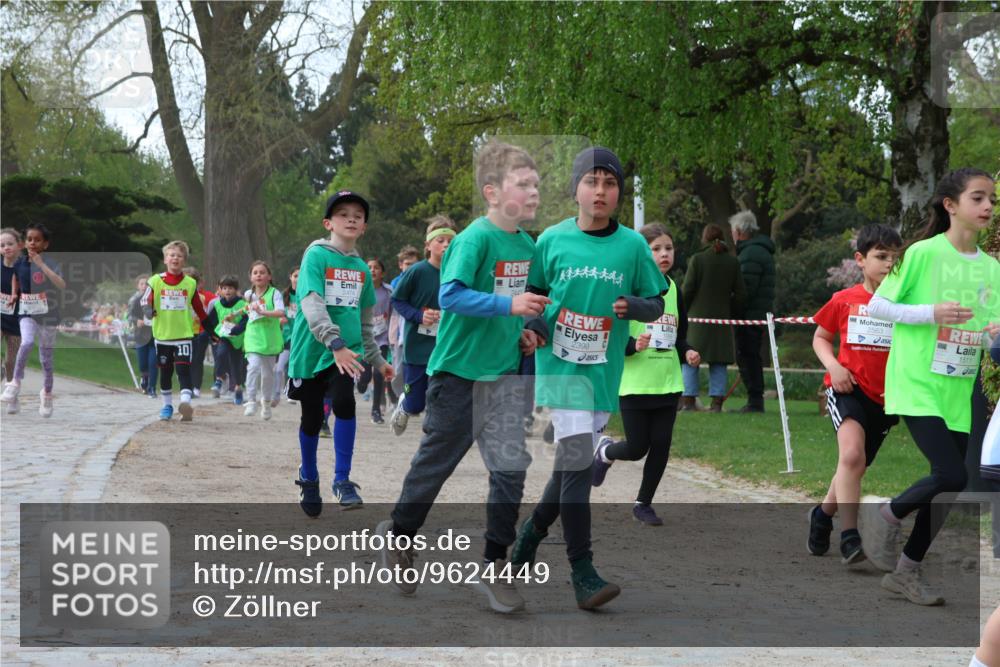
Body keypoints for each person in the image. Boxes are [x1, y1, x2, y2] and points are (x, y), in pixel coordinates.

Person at [376, 140, 548, 614]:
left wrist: (528, 328)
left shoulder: (527, 246)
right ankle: (399, 533)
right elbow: (450, 296)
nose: (533, 192)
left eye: (536, 184)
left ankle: (495, 566)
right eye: (523, 183)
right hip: (456, 377)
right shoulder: (474, 238)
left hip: (505, 377)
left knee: (511, 472)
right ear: (493, 192)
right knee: (436, 466)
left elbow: (527, 302)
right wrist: (508, 306)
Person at [512, 146, 666, 610]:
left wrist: (634, 308)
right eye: (592, 181)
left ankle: (529, 536)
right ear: (576, 187)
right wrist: (534, 329)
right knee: (578, 462)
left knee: (569, 468)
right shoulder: (552, 241)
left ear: (618, 191)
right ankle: (582, 572)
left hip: (603, 370)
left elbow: (655, 302)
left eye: (610, 183)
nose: (600, 191)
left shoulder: (633, 246)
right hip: (560, 368)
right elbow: (536, 299)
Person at [862, 167, 1000, 605]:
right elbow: (878, 306)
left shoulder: (993, 269)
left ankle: (906, 572)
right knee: (952, 473)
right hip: (916, 379)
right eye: (978, 198)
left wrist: (993, 336)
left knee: (950, 485)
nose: (987, 207)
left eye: (992, 201)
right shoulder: (921, 253)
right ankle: (886, 513)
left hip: (958, 387)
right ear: (950, 205)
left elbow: (978, 331)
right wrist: (929, 313)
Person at [288, 190, 393, 513]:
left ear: (363, 227)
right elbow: (311, 302)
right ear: (328, 222)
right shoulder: (316, 257)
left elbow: (364, 324)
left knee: (345, 403)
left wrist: (378, 360)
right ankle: (309, 477)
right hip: (313, 351)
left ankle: (342, 480)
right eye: (343, 213)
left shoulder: (361, 268)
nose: (350, 218)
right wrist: (333, 342)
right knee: (312, 417)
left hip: (347, 353)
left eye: (358, 216)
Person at [805, 224, 903, 565]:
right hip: (848, 390)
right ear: (860, 259)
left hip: (888, 399)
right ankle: (850, 537)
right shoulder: (844, 300)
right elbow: (820, 337)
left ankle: (822, 515)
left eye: (894, 257)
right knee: (850, 457)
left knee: (854, 467)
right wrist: (834, 367)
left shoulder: (905, 304)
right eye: (880, 256)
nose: (889, 263)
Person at [592, 223, 701, 526]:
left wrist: (688, 351)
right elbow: (610, 337)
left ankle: (643, 503)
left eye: (668, 248)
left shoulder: (675, 290)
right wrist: (632, 345)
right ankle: (604, 453)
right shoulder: (627, 289)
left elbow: (679, 336)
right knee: (637, 447)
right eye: (656, 249)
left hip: (668, 383)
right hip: (635, 383)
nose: (664, 254)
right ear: (643, 253)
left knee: (662, 443)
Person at [388, 216, 457, 436]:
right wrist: (419, 315)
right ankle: (404, 405)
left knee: (441, 400)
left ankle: (434, 435)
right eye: (440, 240)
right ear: (428, 246)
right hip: (418, 347)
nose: (446, 245)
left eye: (450, 241)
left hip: (447, 346)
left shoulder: (458, 272)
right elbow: (397, 301)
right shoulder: (416, 271)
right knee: (416, 403)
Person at [141, 240, 211, 421]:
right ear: (165, 259)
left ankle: (185, 403)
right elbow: (144, 301)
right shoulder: (155, 281)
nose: (175, 258)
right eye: (172, 255)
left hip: (184, 336)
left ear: (184, 261)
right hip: (163, 336)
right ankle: (167, 406)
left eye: (179, 256)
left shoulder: (189, 284)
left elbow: (200, 310)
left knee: (183, 370)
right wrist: (149, 310)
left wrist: (212, 331)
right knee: (165, 373)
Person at [1, 223, 66, 418]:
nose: (32, 243)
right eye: (29, 239)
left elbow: (61, 284)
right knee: (27, 341)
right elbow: (16, 278)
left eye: (37, 240)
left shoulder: (51, 262)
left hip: (48, 316)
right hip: (26, 313)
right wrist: (14, 294)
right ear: (25, 242)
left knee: (45, 359)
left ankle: (46, 393)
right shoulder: (20, 262)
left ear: (45, 244)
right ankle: (15, 383)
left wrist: (41, 264)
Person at [680, 223, 746, 412]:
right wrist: (730, 311)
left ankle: (688, 402)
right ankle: (717, 403)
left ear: (704, 239)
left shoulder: (697, 259)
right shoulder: (732, 262)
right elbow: (741, 294)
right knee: (719, 361)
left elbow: (688, 289)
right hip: (721, 320)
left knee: (690, 359)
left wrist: (682, 310)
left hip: (696, 320)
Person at [730, 210, 776, 413]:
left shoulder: (750, 254)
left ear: (739, 232)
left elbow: (745, 289)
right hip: (758, 314)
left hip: (749, 316)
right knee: (751, 355)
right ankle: (755, 400)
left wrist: (733, 309)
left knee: (747, 355)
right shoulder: (760, 251)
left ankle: (755, 401)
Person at [241, 260, 285, 420]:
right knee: (253, 367)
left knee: (267, 375)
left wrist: (263, 312)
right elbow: (247, 310)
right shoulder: (248, 295)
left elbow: (281, 312)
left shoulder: (275, 293)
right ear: (251, 277)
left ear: (269, 276)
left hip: (270, 339)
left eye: (262, 272)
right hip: (253, 337)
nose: (258, 275)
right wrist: (235, 315)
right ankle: (251, 400)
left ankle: (266, 402)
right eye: (255, 273)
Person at [356, 257, 392, 424]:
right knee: (365, 378)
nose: (372, 270)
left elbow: (396, 312)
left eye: (376, 268)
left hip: (382, 338)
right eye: (369, 267)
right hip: (364, 337)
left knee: (379, 374)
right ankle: (360, 380)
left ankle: (376, 410)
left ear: (382, 272)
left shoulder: (389, 292)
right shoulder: (359, 290)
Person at [205, 275, 248, 404]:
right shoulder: (218, 305)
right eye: (224, 288)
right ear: (220, 290)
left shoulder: (242, 304)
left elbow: (246, 320)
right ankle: (219, 379)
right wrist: (211, 335)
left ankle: (238, 389)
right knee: (221, 354)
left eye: (230, 288)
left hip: (237, 339)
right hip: (223, 336)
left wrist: (236, 329)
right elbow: (210, 322)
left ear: (236, 289)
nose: (227, 291)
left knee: (236, 366)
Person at [388, 245, 420, 403]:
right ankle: (398, 398)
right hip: (400, 332)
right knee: (399, 369)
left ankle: (414, 398)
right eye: (407, 264)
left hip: (422, 330)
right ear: (401, 265)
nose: (410, 268)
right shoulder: (396, 282)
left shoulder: (423, 279)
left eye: (414, 264)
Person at [183, 266, 215, 398]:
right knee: (185, 361)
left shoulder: (200, 298)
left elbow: (203, 315)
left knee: (197, 360)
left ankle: (195, 387)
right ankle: (186, 387)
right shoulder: (178, 296)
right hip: (182, 333)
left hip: (198, 332)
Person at [1, 228, 23, 412]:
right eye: (2, 245)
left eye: (10, 244)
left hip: (17, 320)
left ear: (19, 245)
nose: (6, 248)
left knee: (10, 361)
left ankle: (12, 393)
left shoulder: (25, 267)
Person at [127, 274, 158, 398]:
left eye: (147, 284)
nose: (145, 286)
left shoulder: (156, 299)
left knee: (153, 363)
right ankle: (144, 378)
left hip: (156, 335)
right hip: (141, 336)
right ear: (138, 286)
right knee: (143, 364)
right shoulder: (135, 300)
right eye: (142, 284)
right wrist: (136, 321)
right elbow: (129, 316)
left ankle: (152, 388)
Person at [273, 266, 299, 406]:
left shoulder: (306, 295)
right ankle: (276, 394)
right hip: (286, 337)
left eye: (301, 276)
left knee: (294, 366)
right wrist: (279, 320)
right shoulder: (284, 295)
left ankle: (291, 392)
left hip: (300, 337)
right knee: (279, 366)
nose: (298, 279)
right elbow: (276, 312)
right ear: (290, 277)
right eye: (295, 276)